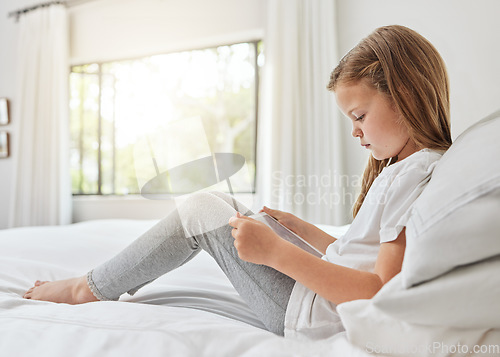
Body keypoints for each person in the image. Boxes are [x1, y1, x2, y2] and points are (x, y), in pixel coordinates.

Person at [23, 25, 452, 340]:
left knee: (200, 209)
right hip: (319, 297)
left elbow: (377, 290)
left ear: (408, 96)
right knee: (219, 204)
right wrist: (304, 233)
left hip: (314, 314)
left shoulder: (413, 172)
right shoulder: (409, 167)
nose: (356, 132)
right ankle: (99, 281)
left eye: (358, 117)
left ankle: (86, 288)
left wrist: (278, 252)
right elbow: (361, 256)